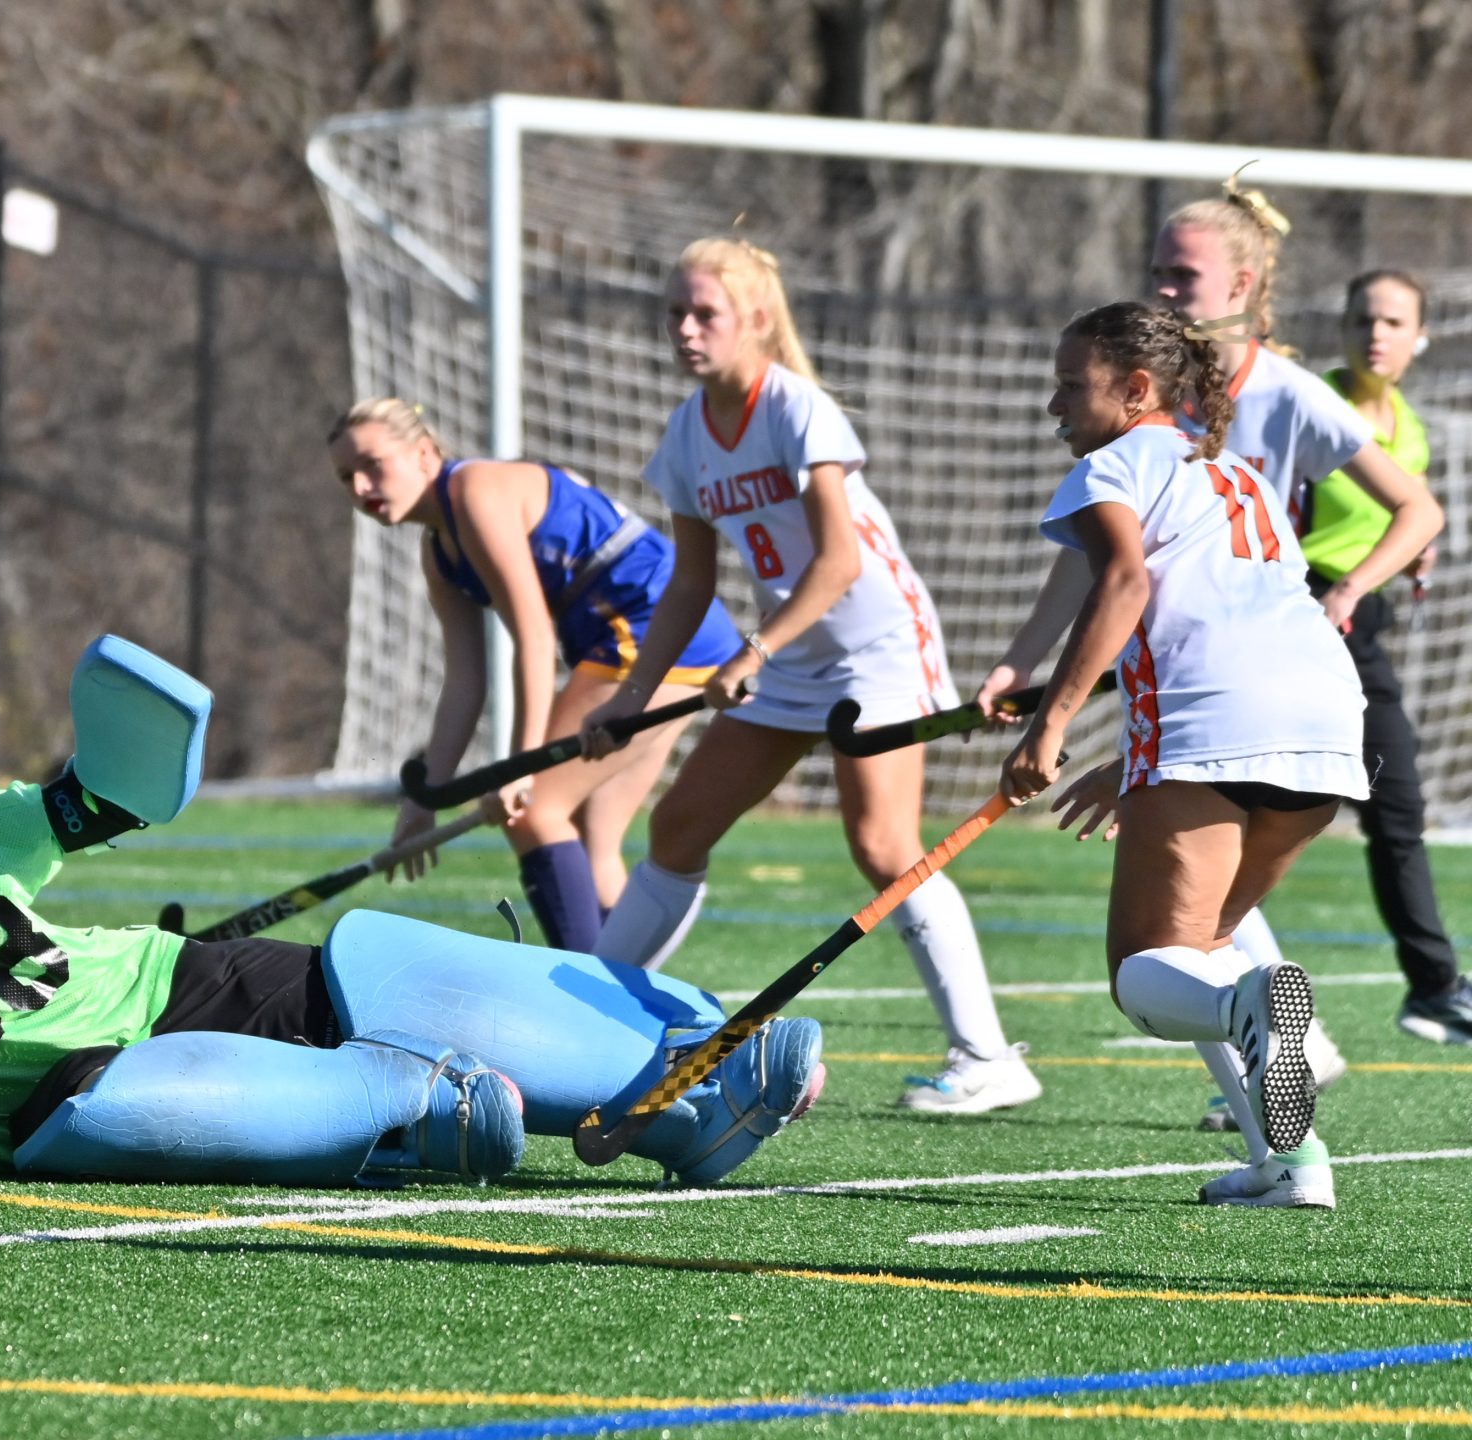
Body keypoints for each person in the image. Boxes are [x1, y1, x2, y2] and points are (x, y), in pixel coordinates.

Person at [0, 690, 829, 1189]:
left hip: (181, 976)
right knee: (113, 1110)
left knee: (379, 961)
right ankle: (414, 1116)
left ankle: (687, 1081)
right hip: (69, 1094)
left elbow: (105, 792)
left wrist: (127, 730)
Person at [986, 181, 1450, 1121]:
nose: (1053, 403)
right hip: (1322, 716)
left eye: (1069, 385)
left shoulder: (1123, 458)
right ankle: (1289, 1162)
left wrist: (1052, 724)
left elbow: (1124, 583)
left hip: (1222, 713)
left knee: (1147, 972)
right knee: (1209, 943)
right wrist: (1124, 741)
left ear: (1137, 389)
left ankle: (1261, 1017)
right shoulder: (1231, 469)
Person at [577, 236, 1037, 1116]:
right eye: (675, 313)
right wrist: (632, 698)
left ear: (754, 319)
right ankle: (590, 1021)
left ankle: (987, 1057)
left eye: (704, 313)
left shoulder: (796, 408)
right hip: (791, 654)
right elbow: (690, 584)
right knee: (679, 827)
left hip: (875, 646)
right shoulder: (687, 430)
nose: (684, 329)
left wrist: (753, 652)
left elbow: (839, 562)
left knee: (884, 848)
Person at [326, 398, 743, 950]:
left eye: (372, 465)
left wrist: (520, 770)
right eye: (346, 477)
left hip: (652, 630)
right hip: (672, 639)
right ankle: (627, 993)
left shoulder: (474, 493)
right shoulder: (439, 555)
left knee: (534, 814)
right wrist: (424, 800)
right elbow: (465, 681)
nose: (360, 487)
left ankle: (583, 990)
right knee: (591, 836)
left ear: (424, 454)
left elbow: (535, 639)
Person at [1313, 270, 1472, 1044]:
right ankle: (1204, 988)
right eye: (1363, 319)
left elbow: (1404, 515)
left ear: (1420, 339)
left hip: (1358, 630)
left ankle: (1434, 989)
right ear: (1342, 328)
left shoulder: (1408, 427)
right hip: (1303, 615)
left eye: (1393, 322)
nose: (1375, 334)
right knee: (1254, 808)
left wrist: (1409, 551)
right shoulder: (1312, 405)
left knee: (1397, 804)